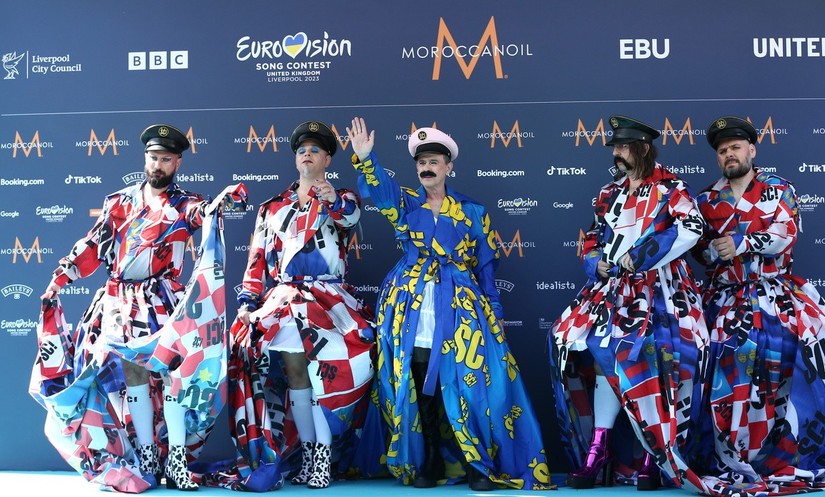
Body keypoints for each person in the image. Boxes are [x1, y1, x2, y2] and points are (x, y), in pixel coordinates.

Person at [33, 124, 247, 492]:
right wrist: (60, 279)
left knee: (172, 375)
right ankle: (147, 457)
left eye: (166, 159)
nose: (158, 165)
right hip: (119, 302)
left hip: (164, 299)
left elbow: (208, 212)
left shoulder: (186, 203)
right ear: (145, 158)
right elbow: (92, 246)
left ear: (177, 162)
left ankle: (178, 458)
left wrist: (227, 201)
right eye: (153, 157)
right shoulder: (118, 203)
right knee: (132, 375)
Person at [345, 117, 552, 491]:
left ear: (449, 167)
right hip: (411, 305)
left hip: (460, 305)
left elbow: (487, 267)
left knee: (466, 384)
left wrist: (497, 313)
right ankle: (430, 461)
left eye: (434, 162)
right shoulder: (405, 206)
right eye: (421, 162)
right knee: (419, 380)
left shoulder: (474, 212)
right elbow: (380, 193)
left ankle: (475, 463)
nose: (426, 168)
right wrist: (366, 159)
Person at [548, 116, 710, 491]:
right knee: (605, 357)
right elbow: (591, 237)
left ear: (643, 148)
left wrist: (642, 256)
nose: (617, 154)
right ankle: (598, 449)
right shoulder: (608, 192)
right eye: (615, 148)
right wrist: (595, 262)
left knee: (657, 365)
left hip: (664, 293)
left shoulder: (673, 188)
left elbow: (692, 228)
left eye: (623, 148)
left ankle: (656, 457)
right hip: (612, 291)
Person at [693, 117, 825, 493]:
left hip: (776, 292)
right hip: (726, 299)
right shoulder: (706, 199)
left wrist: (739, 242)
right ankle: (732, 457)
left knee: (802, 351)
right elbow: (697, 252)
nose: (729, 154)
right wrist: (712, 248)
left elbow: (785, 232)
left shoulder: (780, 189)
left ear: (752, 150)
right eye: (722, 150)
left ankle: (791, 456)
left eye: (735, 147)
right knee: (728, 365)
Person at [226, 120, 375, 491]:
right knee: (296, 375)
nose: (307, 154)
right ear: (296, 159)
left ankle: (324, 455)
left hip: (330, 300)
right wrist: (247, 298)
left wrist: (331, 200)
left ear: (327, 158)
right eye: (301, 150)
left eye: (315, 149)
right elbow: (257, 258)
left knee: (327, 374)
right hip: (286, 297)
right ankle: (311, 456)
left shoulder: (342, 198)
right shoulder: (271, 207)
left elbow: (350, 217)